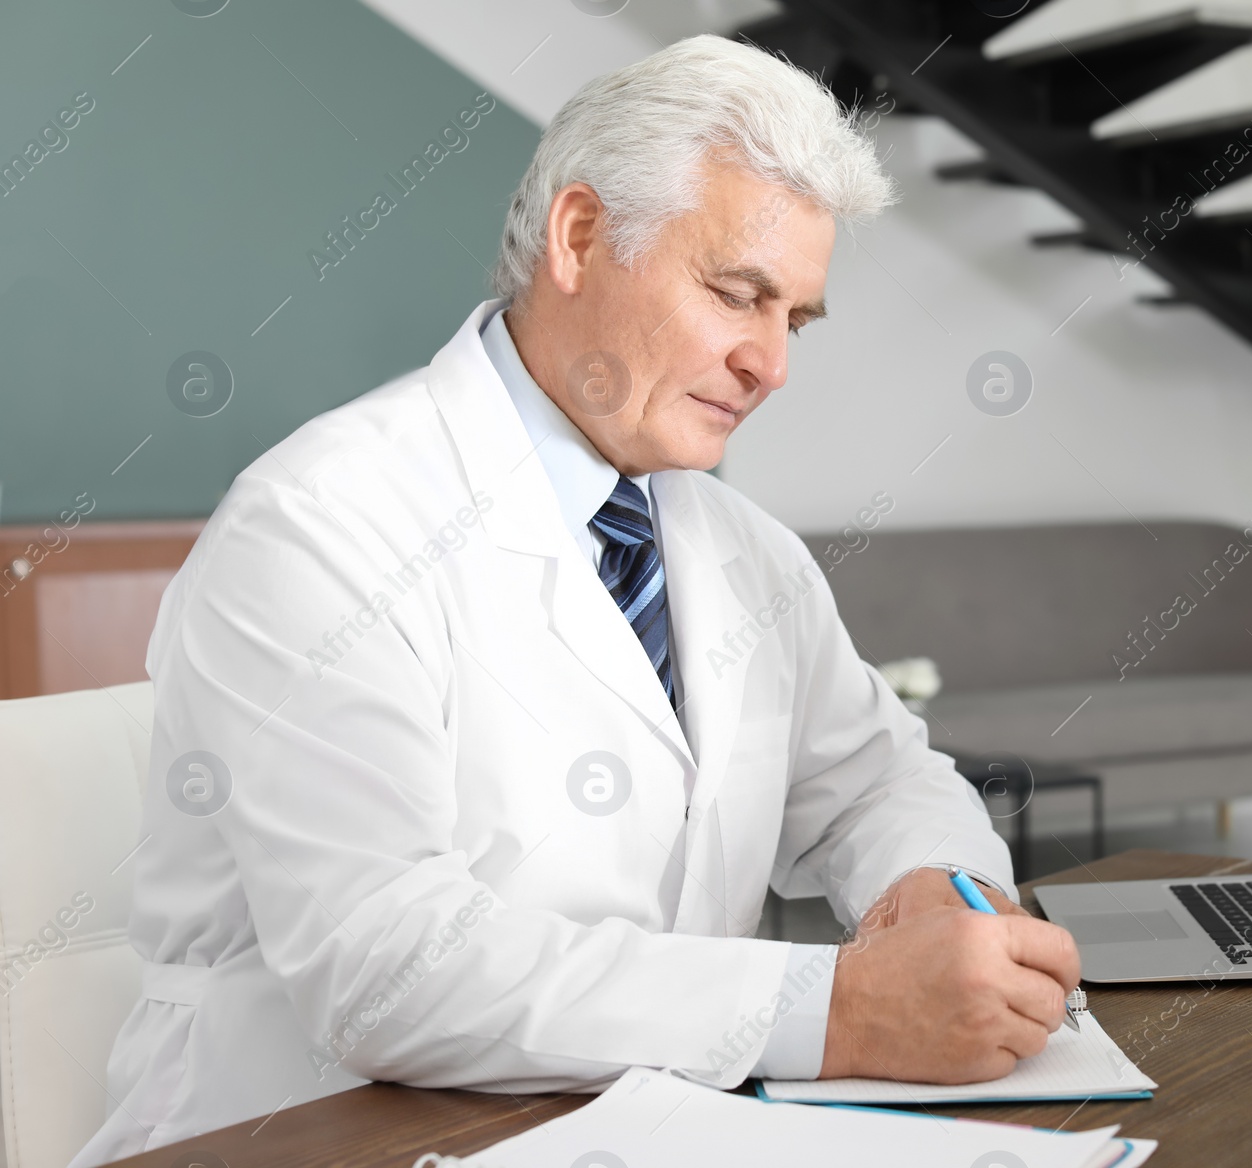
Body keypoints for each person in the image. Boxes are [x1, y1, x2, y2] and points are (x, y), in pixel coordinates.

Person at [72, 34, 1078, 1165]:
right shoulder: (319, 522)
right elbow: (387, 969)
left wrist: (934, 890)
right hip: (297, 1135)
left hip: (626, 1126)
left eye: (792, 319)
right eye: (735, 294)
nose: (770, 365)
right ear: (580, 236)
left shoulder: (742, 551)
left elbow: (870, 784)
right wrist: (838, 1006)